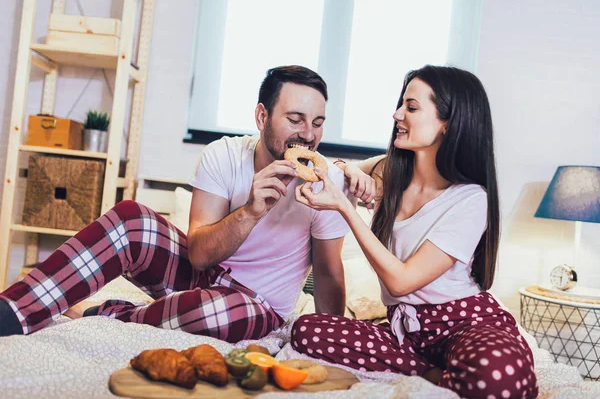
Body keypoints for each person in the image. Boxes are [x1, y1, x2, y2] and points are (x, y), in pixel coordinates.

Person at [0, 65, 356, 343]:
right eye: (295, 120)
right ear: (262, 117)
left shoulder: (328, 185)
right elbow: (199, 255)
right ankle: (15, 309)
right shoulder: (224, 155)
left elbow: (327, 272)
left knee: (213, 312)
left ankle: (107, 315)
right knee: (130, 218)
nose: (308, 135)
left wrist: (331, 341)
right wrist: (250, 211)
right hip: (204, 273)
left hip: (256, 305)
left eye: (318, 123)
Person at [291, 65, 538, 398]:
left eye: (411, 107)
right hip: (406, 332)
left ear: (448, 124)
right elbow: (340, 166)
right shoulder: (389, 174)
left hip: (465, 324)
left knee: (496, 374)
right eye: (401, 105)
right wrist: (349, 169)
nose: (397, 114)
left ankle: (440, 370)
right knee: (307, 330)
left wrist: (345, 209)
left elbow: (402, 282)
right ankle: (431, 372)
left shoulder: (470, 199)